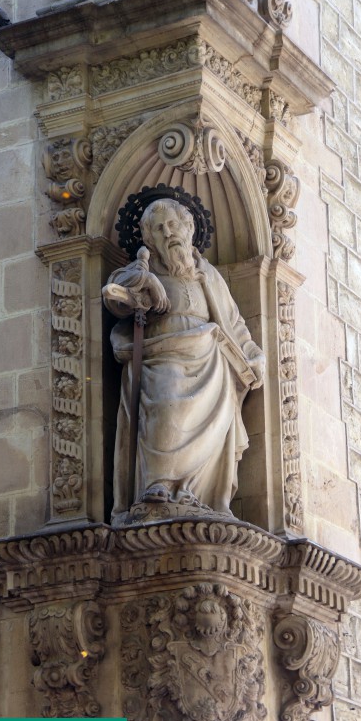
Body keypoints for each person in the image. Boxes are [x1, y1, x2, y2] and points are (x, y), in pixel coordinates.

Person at [103, 197, 265, 524]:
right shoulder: (144, 268)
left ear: (188, 227)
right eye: (159, 229)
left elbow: (233, 323)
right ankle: (158, 484)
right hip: (162, 356)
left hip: (211, 360)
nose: (168, 233)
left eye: (173, 224)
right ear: (150, 239)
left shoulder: (210, 275)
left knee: (213, 422)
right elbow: (114, 295)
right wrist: (146, 283)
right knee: (166, 405)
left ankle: (194, 491)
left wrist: (252, 355)